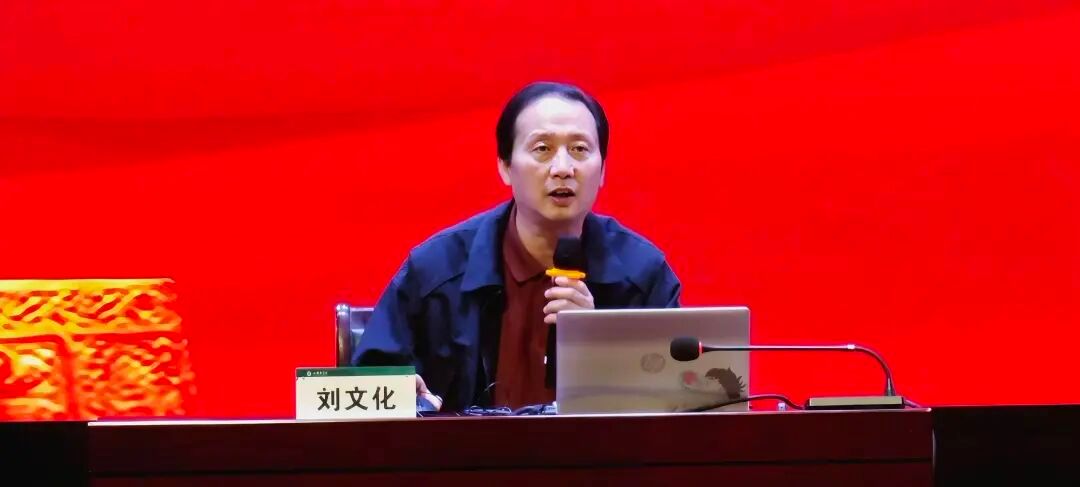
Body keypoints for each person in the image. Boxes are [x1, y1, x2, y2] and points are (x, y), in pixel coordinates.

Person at [352, 81, 681, 412]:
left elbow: (680, 403)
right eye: (542, 149)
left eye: (580, 149)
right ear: (505, 166)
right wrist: (413, 404)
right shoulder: (436, 270)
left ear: (603, 169)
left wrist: (600, 347)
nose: (563, 168)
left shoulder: (643, 277)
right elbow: (364, 390)